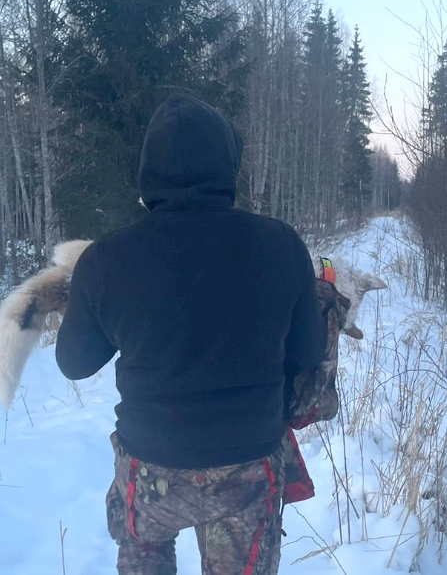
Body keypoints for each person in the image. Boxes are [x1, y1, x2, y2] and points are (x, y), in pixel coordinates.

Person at [54, 93, 328, 574]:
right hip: (248, 465)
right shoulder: (281, 244)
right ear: (228, 166)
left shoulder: (105, 259)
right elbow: (309, 351)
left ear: (147, 172)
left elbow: (74, 363)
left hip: (150, 467)